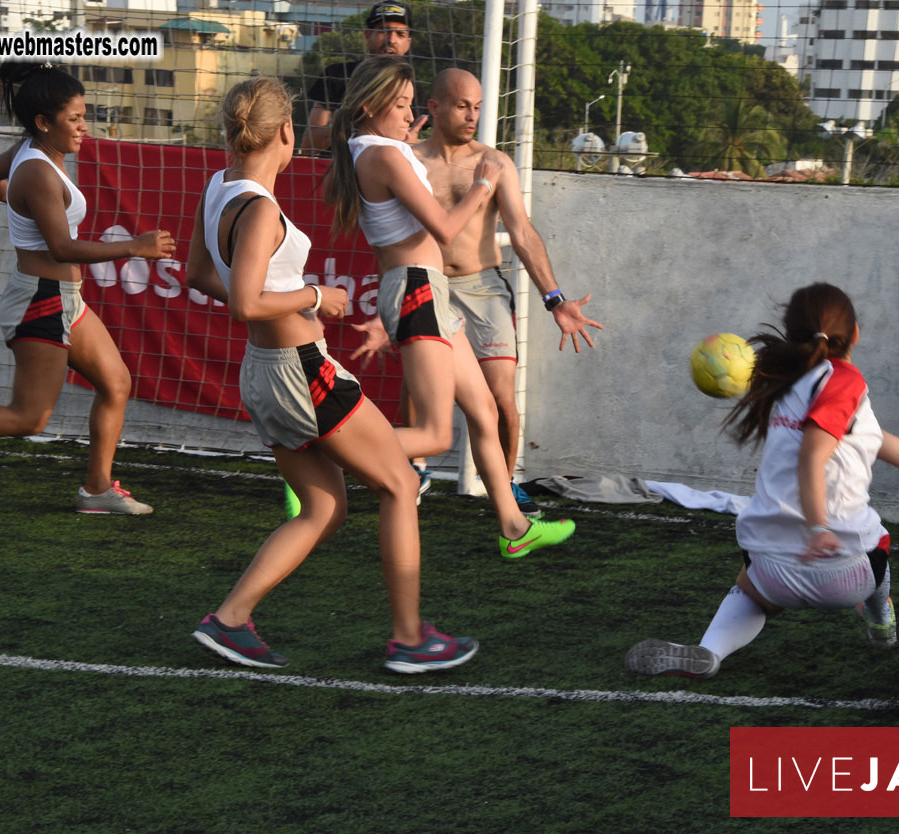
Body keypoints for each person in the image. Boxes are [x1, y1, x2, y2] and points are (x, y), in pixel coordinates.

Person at [184, 77, 476, 673]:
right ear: (287, 132)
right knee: (398, 484)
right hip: (301, 372)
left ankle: (230, 619)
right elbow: (244, 302)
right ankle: (410, 638)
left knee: (323, 509)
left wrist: (288, 298)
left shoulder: (218, 187)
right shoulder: (262, 208)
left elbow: (198, 276)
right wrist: (315, 295)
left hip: (264, 374)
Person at [624, 282, 899, 678]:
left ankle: (711, 650)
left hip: (769, 569)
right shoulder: (843, 382)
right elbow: (813, 455)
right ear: (855, 332)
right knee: (878, 540)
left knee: (750, 592)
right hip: (844, 574)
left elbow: (894, 448)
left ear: (792, 335)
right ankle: (879, 616)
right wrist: (818, 527)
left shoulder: (783, 383)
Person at [0, 62, 174, 514]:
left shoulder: (32, 152)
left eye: (84, 115)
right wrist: (132, 247)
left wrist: (22, 209)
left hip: (64, 300)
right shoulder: (38, 171)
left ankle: (96, 490)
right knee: (29, 416)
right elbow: (61, 247)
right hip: (43, 299)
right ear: (44, 122)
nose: (84, 127)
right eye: (74, 119)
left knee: (116, 383)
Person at [322, 55, 576, 559]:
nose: (407, 112)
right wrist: (482, 184)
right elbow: (444, 229)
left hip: (425, 289)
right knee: (435, 433)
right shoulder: (388, 155)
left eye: (412, 104)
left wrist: (406, 141)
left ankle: (514, 525)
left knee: (483, 409)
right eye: (399, 104)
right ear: (371, 106)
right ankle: (321, 453)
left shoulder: (373, 148)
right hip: (419, 288)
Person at [412, 68, 604, 517]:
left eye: (477, 107)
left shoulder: (494, 163)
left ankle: (507, 483)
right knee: (421, 387)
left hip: (482, 287)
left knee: (501, 399)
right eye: (462, 105)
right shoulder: (408, 159)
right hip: (427, 282)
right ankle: (414, 467)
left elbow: (522, 233)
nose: (472, 115)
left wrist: (555, 298)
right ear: (435, 107)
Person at [300, 2, 425, 154]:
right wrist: (354, 124)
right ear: (367, 35)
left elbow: (417, 144)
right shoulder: (336, 75)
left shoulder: (412, 88)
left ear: (408, 43)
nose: (391, 39)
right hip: (335, 170)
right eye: (383, 30)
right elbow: (310, 144)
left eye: (400, 34)